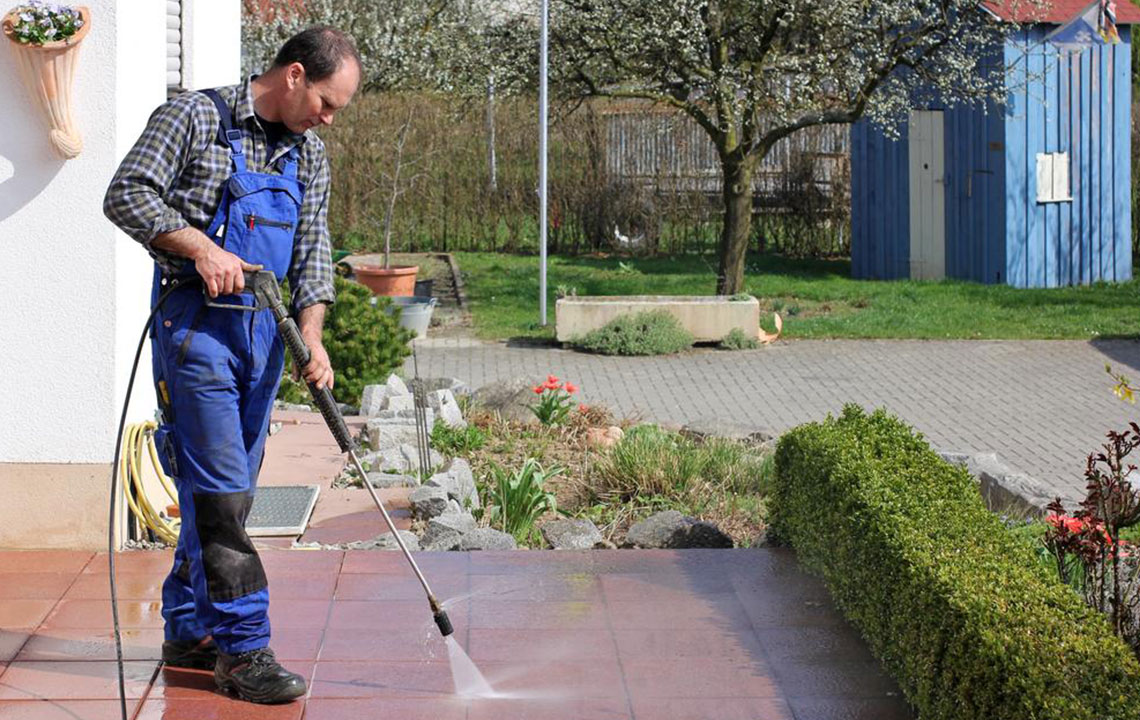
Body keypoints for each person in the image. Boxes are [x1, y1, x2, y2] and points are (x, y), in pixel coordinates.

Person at [103, 27, 361, 704]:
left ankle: (189, 630)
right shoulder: (196, 117)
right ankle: (244, 650)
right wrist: (199, 249)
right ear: (296, 74)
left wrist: (312, 336)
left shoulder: (310, 155)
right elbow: (126, 192)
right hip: (197, 333)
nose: (328, 119)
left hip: (266, 341)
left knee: (225, 491)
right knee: (222, 496)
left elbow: (311, 252)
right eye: (327, 103)